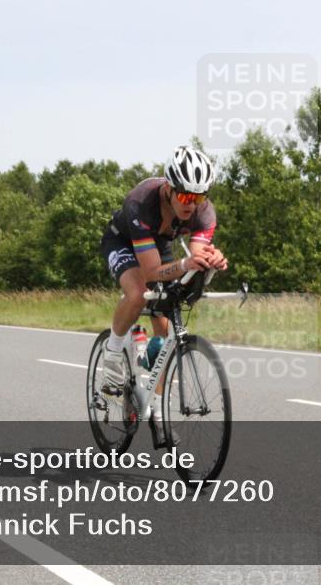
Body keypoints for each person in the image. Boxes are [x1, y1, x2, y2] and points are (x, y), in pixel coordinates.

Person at [98, 146, 228, 445]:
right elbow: (154, 271)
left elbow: (196, 255)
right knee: (138, 293)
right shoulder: (140, 202)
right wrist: (183, 264)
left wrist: (211, 259)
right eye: (185, 196)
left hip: (160, 245)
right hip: (123, 241)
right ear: (169, 189)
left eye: (198, 197)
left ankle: (156, 409)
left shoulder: (203, 212)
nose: (191, 204)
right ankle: (114, 352)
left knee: (167, 325)